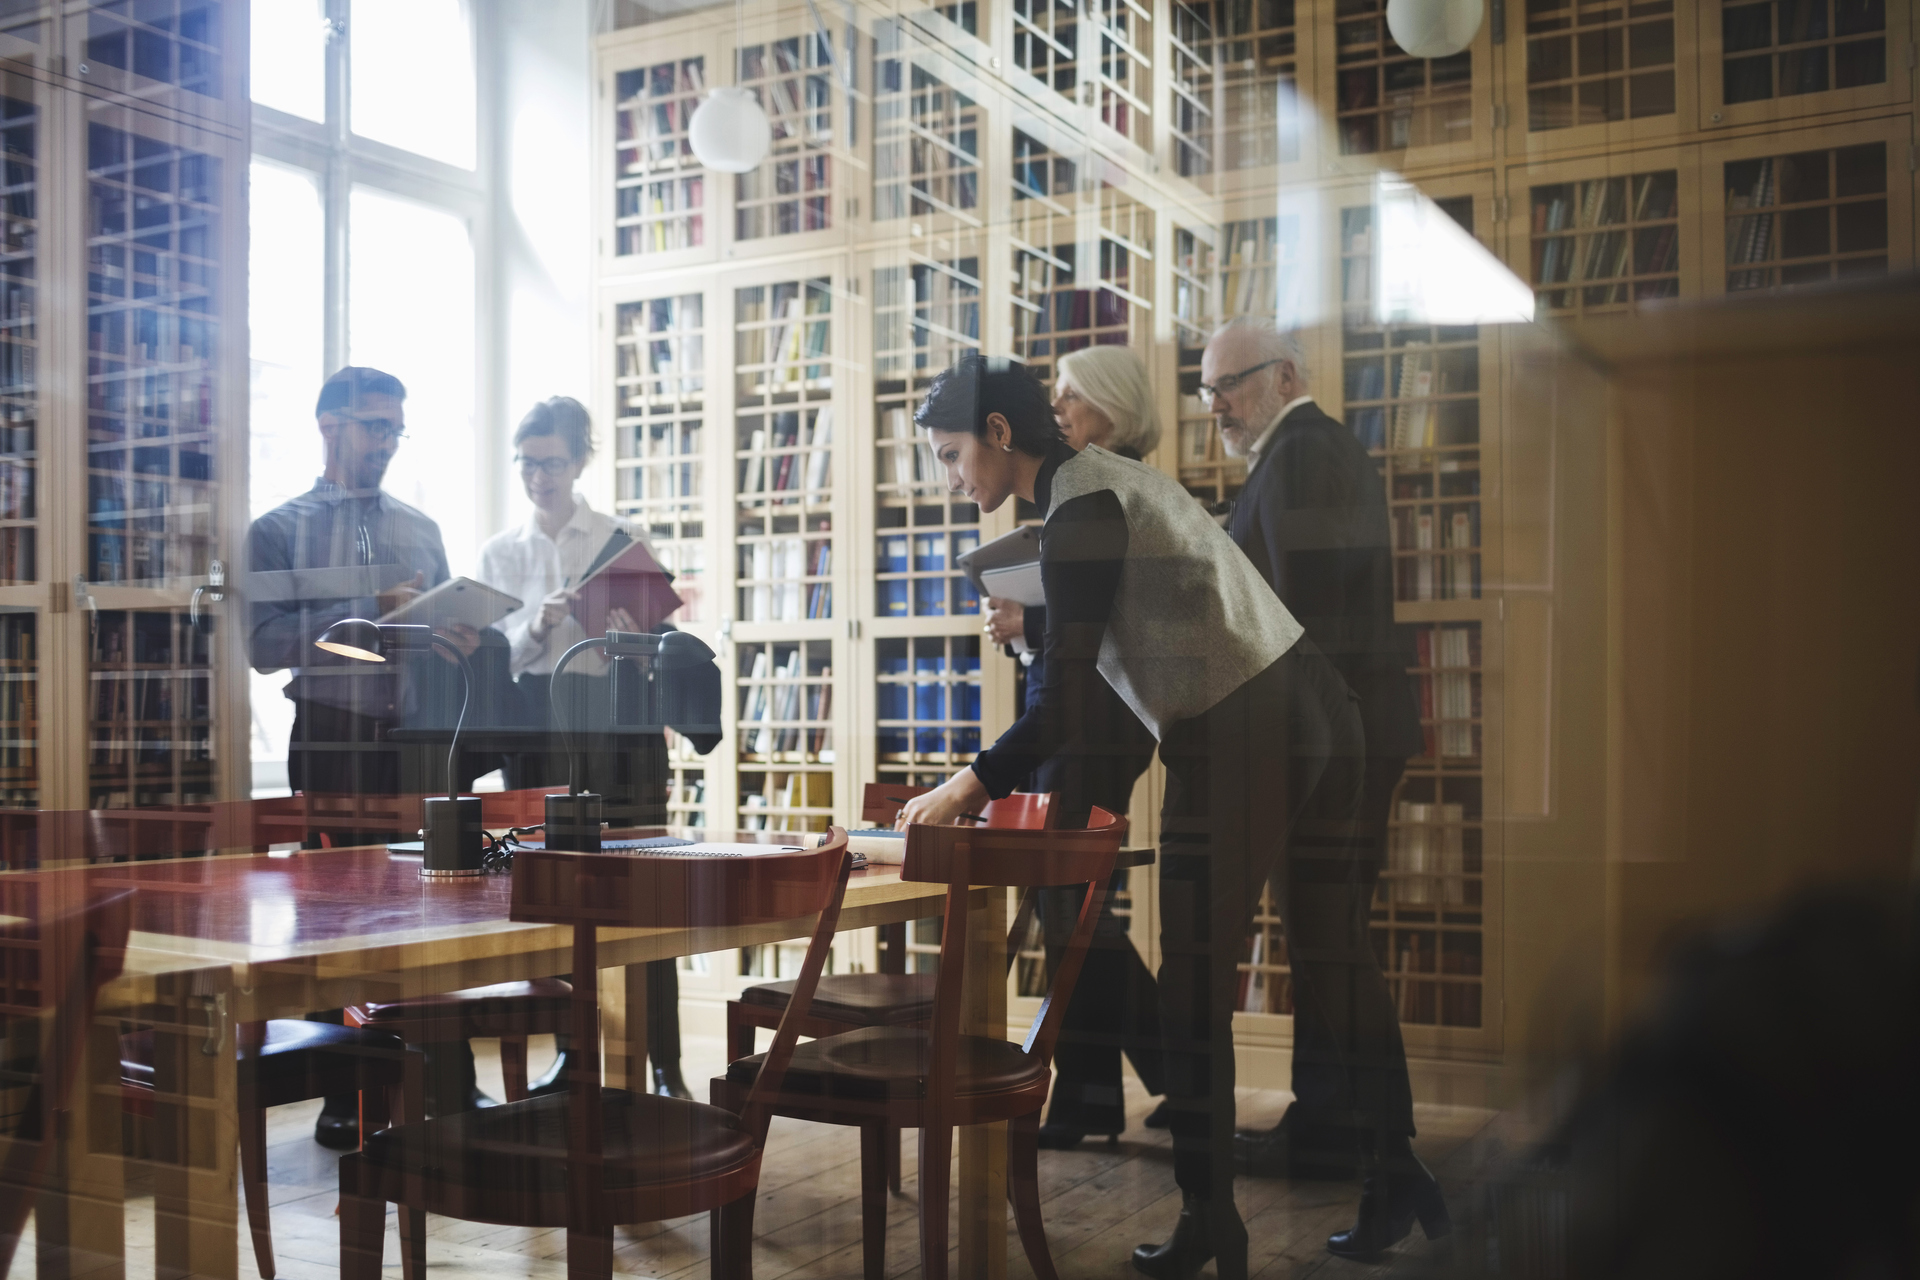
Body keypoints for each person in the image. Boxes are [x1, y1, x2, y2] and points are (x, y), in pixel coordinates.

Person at [899, 356, 1415, 1280]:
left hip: (1238, 726)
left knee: (1194, 981)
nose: (950, 478)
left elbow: (1060, 703)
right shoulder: (1112, 485)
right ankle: (1397, 1174)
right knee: (1335, 951)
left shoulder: (1080, 506)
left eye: (950, 455)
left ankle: (1212, 1219)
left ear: (1000, 436)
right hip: (1318, 706)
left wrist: (965, 787)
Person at [1201, 319, 1440, 1255]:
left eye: (1229, 383)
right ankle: (1390, 1164)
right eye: (1208, 387)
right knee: (1333, 951)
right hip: (1335, 739)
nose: (1214, 402)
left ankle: (1394, 1165)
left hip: (1330, 746)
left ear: (1284, 374)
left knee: (1333, 950)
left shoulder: (1303, 454)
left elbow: (1291, 626)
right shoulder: (1300, 453)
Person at [245, 365, 508, 1145]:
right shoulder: (276, 530)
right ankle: (343, 1097)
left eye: (396, 428)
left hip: (421, 742)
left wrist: (456, 634)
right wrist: (370, 612)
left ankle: (450, 1086)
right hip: (332, 740)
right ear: (328, 424)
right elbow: (262, 646)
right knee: (339, 917)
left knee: (440, 907)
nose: (386, 443)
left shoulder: (421, 529)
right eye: (373, 426)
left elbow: (421, 632)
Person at [475, 395, 704, 1099]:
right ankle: (577, 1057)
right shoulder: (501, 552)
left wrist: (632, 634)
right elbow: (494, 660)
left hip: (612, 730)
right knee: (557, 897)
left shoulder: (616, 539)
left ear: (578, 462)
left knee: (644, 890)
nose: (538, 476)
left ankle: (663, 1062)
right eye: (526, 463)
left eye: (551, 462)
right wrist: (537, 628)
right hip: (537, 731)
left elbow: (659, 646)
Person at [980, 345, 1167, 1148]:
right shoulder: (1088, 492)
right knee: (1070, 909)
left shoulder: (1112, 493)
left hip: (1094, 727)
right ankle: (1090, 1097)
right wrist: (1031, 629)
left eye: (1072, 400)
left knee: (1074, 906)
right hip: (1081, 722)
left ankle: (1181, 1075)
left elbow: (1125, 626)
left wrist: (1036, 619)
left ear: (1114, 412)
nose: (1057, 413)